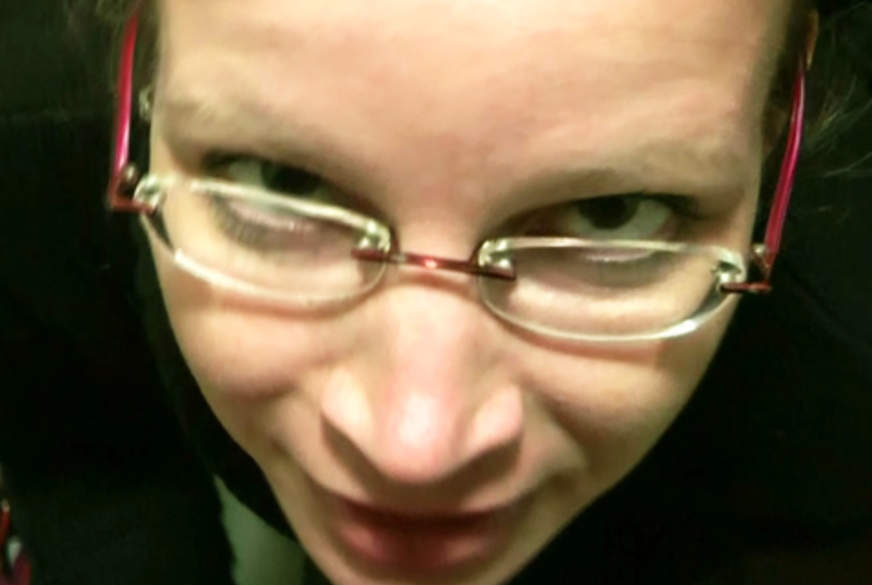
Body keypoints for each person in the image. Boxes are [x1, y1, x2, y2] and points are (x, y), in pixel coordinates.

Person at [1, 1, 870, 584]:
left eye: (610, 215)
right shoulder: (33, 140)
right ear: (137, 71)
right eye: (283, 182)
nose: (415, 448)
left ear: (779, 121)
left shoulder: (839, 389)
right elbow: (93, 466)